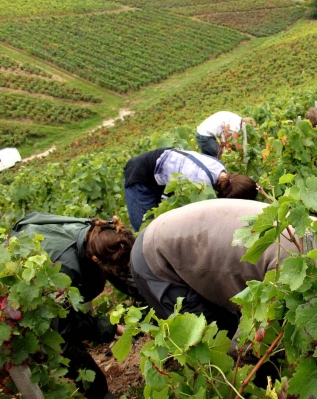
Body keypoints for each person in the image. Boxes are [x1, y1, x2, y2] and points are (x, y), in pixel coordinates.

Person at [11, 213, 139, 399]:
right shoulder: (65, 271)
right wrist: (111, 328)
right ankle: (100, 394)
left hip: (45, 245)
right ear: (95, 260)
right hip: (24, 271)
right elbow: (64, 328)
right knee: (65, 342)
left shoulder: (101, 233)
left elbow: (121, 273)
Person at [129, 199, 298, 336]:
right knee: (206, 336)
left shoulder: (312, 230)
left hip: (175, 229)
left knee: (229, 325)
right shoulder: (291, 269)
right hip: (154, 257)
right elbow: (252, 338)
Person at [123, 148, 257, 232]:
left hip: (161, 170)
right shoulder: (199, 184)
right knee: (147, 231)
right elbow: (180, 209)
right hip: (140, 176)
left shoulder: (221, 170)